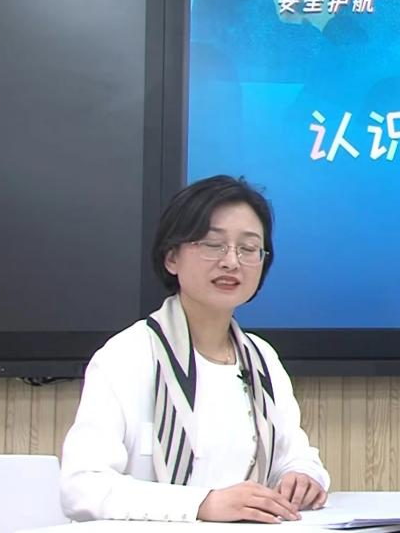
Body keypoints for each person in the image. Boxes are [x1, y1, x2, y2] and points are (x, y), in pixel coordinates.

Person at [60, 175, 329, 523]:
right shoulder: (128, 355)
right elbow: (82, 487)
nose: (231, 261)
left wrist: (303, 476)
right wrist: (202, 504)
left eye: (248, 249)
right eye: (213, 244)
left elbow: (294, 455)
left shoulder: (261, 358)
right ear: (172, 257)